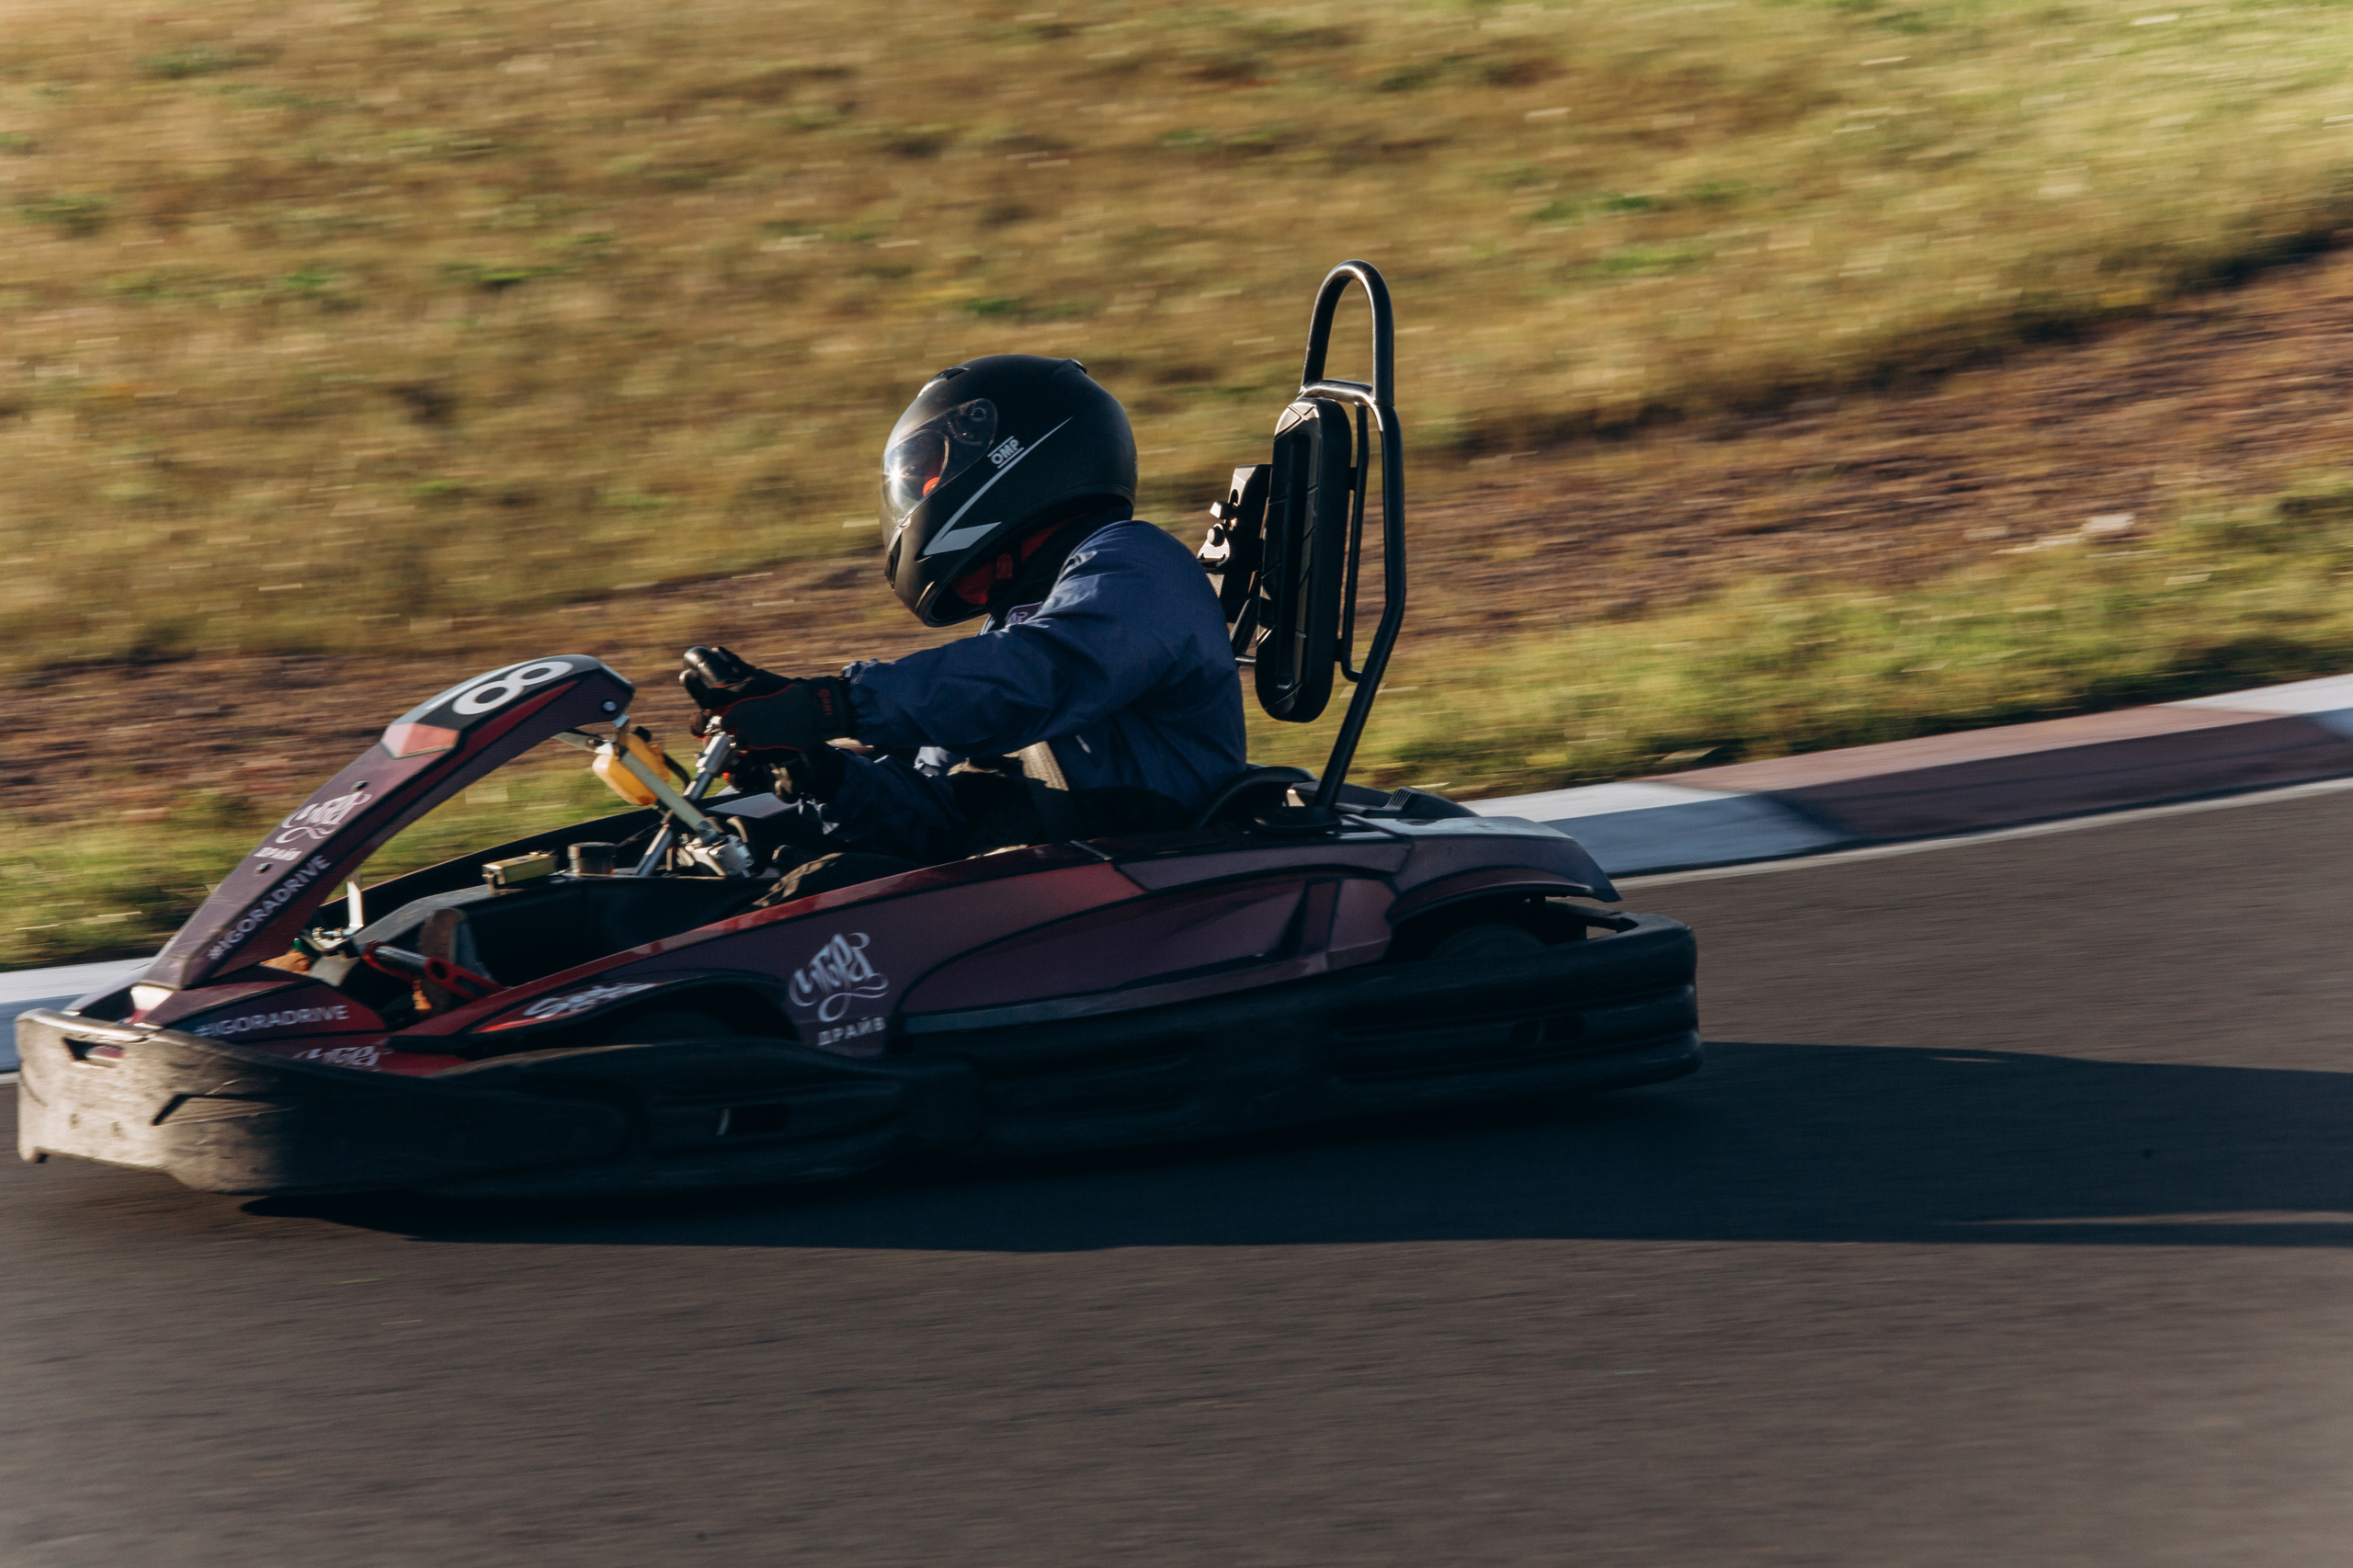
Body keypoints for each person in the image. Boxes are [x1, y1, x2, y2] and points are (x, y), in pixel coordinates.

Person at [679, 354, 1247, 902]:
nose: (924, 494)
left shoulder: (1137, 565)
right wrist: (823, 771)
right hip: (1035, 885)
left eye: (935, 475)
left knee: (816, 896)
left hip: (1139, 892)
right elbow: (943, 819)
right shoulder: (1018, 621)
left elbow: (1034, 678)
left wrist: (830, 705)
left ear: (1017, 457)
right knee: (743, 868)